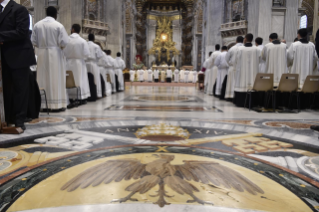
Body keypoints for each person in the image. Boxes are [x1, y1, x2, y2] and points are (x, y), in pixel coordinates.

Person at [0, 0, 37, 130]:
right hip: (2, 58)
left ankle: (19, 120)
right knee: (6, 90)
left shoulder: (19, 9)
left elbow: (22, 31)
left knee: (20, 89)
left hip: (19, 56)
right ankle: (7, 118)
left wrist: (1, 37)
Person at [32, 6, 69, 112]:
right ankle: (56, 105)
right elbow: (64, 42)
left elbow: (33, 41)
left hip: (41, 53)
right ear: (55, 14)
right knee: (55, 78)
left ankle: (42, 104)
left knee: (42, 78)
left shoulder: (37, 25)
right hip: (55, 54)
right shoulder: (58, 25)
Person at [63, 24, 91, 104]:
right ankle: (81, 97)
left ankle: (71, 96)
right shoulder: (82, 41)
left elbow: (63, 51)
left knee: (69, 79)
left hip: (68, 62)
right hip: (79, 63)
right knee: (80, 79)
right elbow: (87, 54)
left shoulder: (67, 40)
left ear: (73, 29)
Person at [234, 33, 261, 107]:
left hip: (242, 71)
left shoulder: (239, 49)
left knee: (242, 84)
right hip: (253, 71)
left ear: (245, 39)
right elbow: (260, 60)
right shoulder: (257, 49)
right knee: (252, 85)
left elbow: (235, 60)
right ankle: (252, 103)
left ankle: (241, 102)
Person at [225, 36, 244, 100]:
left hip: (232, 68)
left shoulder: (232, 48)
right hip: (242, 68)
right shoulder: (244, 47)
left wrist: (230, 64)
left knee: (232, 82)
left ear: (236, 41)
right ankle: (238, 97)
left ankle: (230, 95)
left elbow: (227, 58)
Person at [85, 34, 103, 99]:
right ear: (94, 39)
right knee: (95, 79)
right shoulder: (96, 46)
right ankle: (96, 94)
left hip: (85, 64)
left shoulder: (85, 44)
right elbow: (100, 56)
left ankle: (86, 94)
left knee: (86, 79)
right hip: (93, 63)